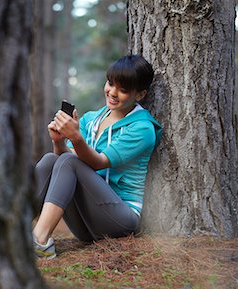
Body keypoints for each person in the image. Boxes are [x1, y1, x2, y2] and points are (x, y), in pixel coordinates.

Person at [33, 55, 163, 259]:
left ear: (140, 95)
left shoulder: (142, 129)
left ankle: (40, 241)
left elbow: (98, 162)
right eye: (110, 84)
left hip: (120, 219)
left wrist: (76, 138)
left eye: (123, 89)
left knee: (68, 161)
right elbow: (64, 162)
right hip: (87, 222)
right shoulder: (91, 119)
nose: (112, 92)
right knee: (51, 159)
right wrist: (59, 141)